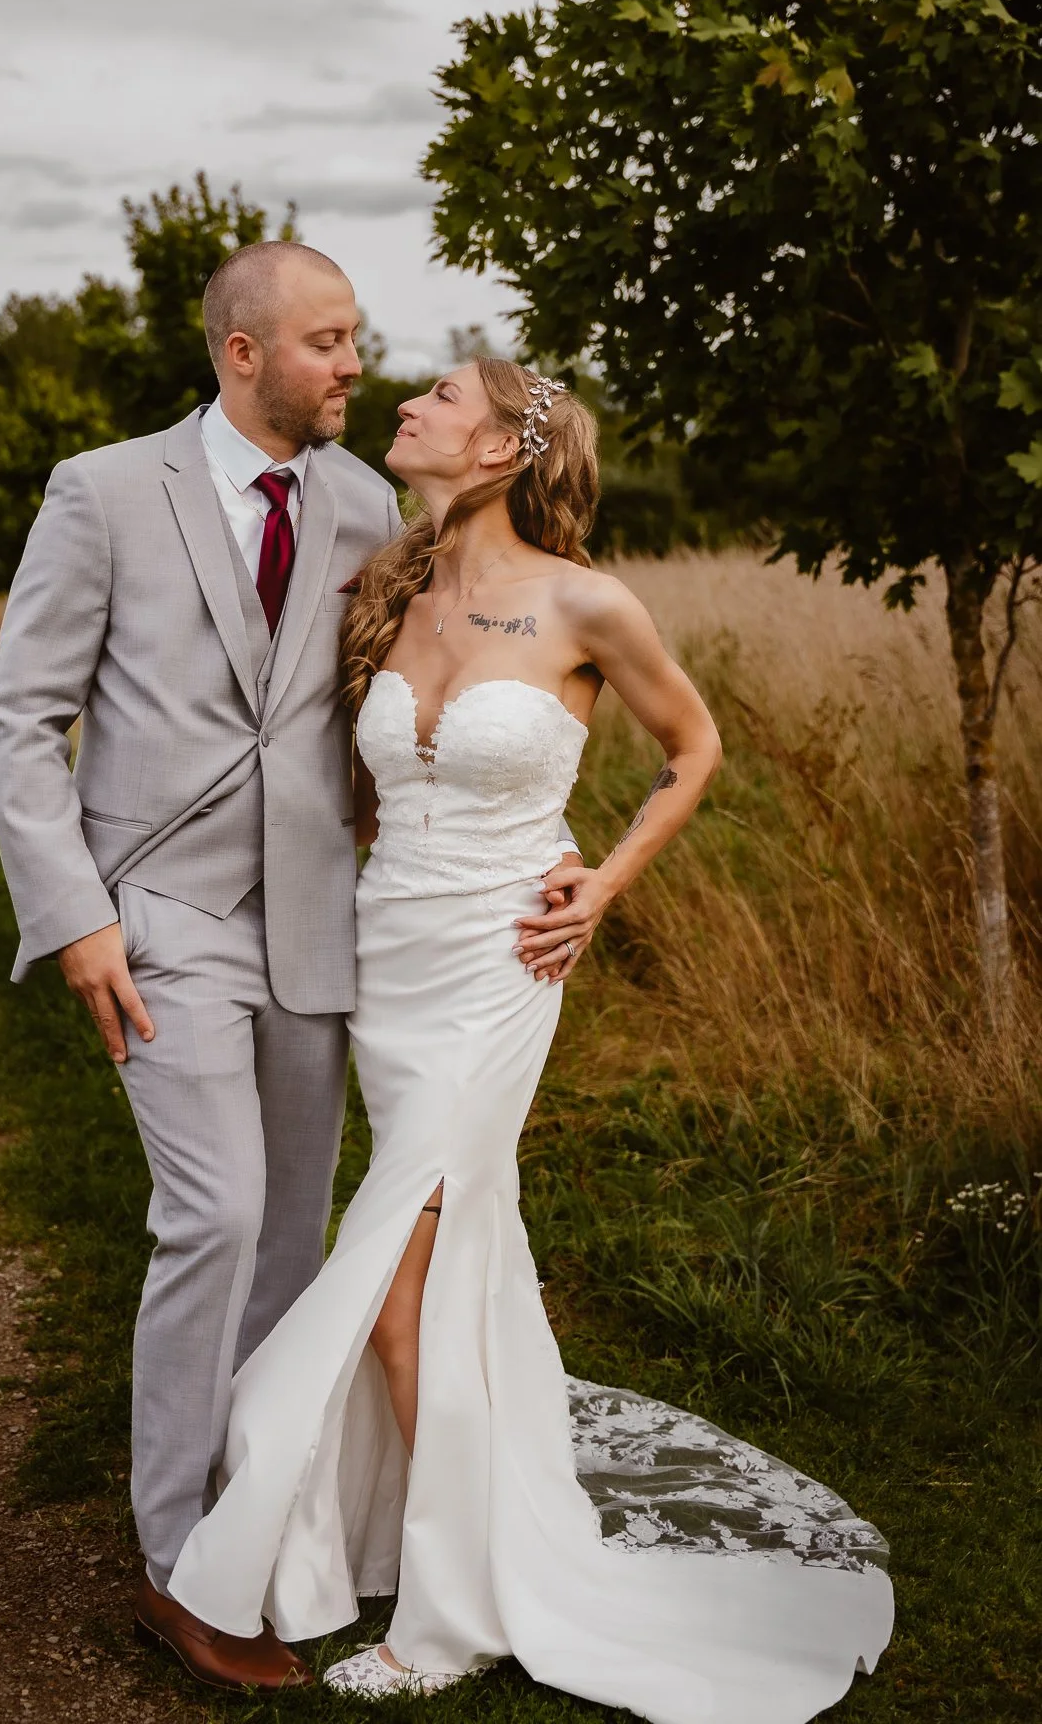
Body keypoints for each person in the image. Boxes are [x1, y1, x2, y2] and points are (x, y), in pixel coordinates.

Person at [166, 358, 895, 1722]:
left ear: (502, 445)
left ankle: (451, 1610)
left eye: (439, 395)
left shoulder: (585, 600)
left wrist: (601, 885)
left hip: (503, 960)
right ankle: (409, 1533)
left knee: (396, 1269)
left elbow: (694, 748)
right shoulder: (388, 587)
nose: (406, 404)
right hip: (388, 956)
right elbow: (349, 782)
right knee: (445, 1254)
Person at [0, 247, 585, 1693]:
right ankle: (178, 1563)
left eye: (357, 339)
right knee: (218, 1210)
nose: (352, 365)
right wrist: (76, 917)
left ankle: (265, 1522)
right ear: (241, 354)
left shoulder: (368, 507)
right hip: (160, 912)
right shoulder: (103, 490)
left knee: (296, 1237)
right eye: (325, 342)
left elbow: (459, 696)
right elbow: (21, 721)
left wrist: (551, 853)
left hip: (324, 921)